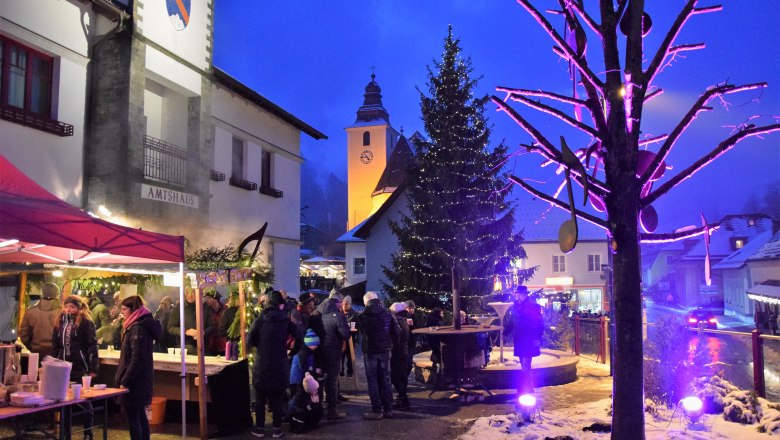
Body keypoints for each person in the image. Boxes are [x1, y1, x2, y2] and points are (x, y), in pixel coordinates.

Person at [248, 291, 297, 439]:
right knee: (277, 398)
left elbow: (250, 338)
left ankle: (260, 429)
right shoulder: (286, 320)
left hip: (262, 363)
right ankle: (277, 429)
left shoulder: (260, 319)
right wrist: (292, 351)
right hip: (279, 363)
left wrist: (261, 347)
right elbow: (299, 336)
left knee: (260, 398)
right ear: (280, 304)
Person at [52, 295, 99, 440]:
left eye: (72, 307)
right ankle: (65, 433)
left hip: (79, 367)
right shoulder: (59, 321)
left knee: (84, 400)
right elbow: (55, 345)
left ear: (78, 308)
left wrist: (92, 368)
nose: (68, 309)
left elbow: (92, 345)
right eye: (66, 306)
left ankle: (88, 431)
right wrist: (54, 362)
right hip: (62, 367)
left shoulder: (85, 322)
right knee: (64, 400)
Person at [115, 295, 162, 440]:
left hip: (135, 381)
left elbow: (137, 358)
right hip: (140, 379)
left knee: (134, 417)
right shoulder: (137, 326)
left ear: (133, 310)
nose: (122, 313)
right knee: (139, 415)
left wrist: (126, 380)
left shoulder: (138, 329)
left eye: (124, 309)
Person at [359, 291, 399, 420]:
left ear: (366, 302)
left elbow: (359, 332)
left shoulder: (363, 315)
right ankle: (388, 409)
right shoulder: (388, 313)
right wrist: (391, 343)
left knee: (373, 380)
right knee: (386, 378)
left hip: (370, 351)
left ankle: (377, 409)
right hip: (385, 350)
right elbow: (397, 331)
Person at [312, 291, 349, 421]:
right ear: (338, 302)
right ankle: (332, 411)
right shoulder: (338, 316)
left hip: (318, 353)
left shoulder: (316, 313)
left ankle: (318, 410)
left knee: (319, 380)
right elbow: (346, 334)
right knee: (332, 382)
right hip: (333, 352)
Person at [512, 286, 544, 395]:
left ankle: (527, 388)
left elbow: (539, 323)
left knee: (526, 364)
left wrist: (537, 338)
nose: (518, 295)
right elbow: (514, 322)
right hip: (520, 339)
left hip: (529, 338)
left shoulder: (532, 306)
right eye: (517, 293)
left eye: (520, 293)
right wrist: (505, 332)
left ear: (525, 294)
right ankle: (527, 387)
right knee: (523, 364)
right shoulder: (516, 306)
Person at [19, 282, 61, 359]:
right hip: (57, 353)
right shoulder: (62, 312)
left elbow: (23, 334)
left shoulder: (30, 312)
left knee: (36, 371)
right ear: (57, 295)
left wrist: (31, 347)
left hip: (36, 351)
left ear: (42, 294)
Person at [168, 288, 214, 353]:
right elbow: (171, 328)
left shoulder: (205, 308)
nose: (190, 295)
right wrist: (186, 331)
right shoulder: (178, 308)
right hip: (185, 347)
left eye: (192, 292)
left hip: (203, 347)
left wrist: (203, 333)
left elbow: (212, 326)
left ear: (198, 293)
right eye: (187, 293)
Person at [389, 302, 411, 409]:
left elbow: (395, 337)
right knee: (402, 375)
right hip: (403, 351)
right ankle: (402, 399)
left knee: (395, 376)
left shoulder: (396, 320)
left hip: (396, 352)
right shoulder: (404, 320)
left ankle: (403, 398)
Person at [204, 291, 227, 356]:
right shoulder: (206, 310)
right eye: (205, 298)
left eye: (208, 298)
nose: (206, 300)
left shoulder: (225, 309)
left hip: (224, 345)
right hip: (210, 345)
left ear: (215, 299)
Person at [340, 295, 357, 377]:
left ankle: (350, 372)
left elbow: (357, 327)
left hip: (351, 339)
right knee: (341, 357)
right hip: (341, 339)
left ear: (350, 304)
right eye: (343, 303)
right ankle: (341, 371)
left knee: (350, 357)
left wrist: (356, 340)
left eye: (346, 304)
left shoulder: (354, 315)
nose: (344, 305)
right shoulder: (339, 313)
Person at [424, 307, 444, 373]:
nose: (442, 315)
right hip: (436, 339)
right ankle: (438, 369)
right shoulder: (437, 320)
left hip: (430, 339)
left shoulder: (429, 318)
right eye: (441, 313)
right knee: (438, 354)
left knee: (435, 352)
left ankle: (435, 367)